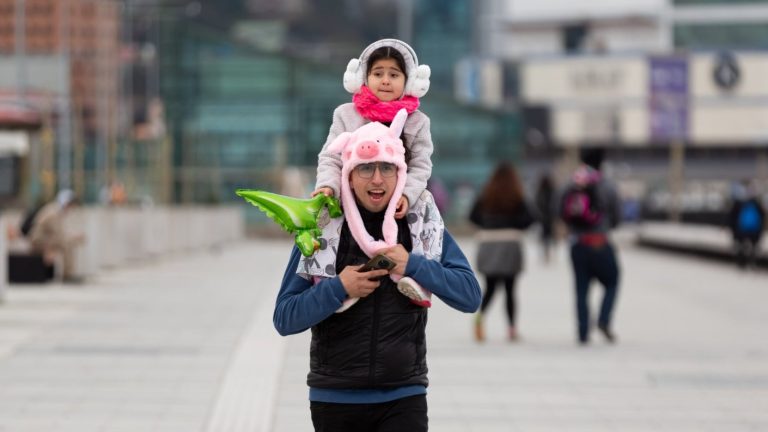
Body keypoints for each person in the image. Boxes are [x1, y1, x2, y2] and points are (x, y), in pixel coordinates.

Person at [275, 111, 480, 432]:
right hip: (335, 397)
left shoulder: (418, 220)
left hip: (404, 396)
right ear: (347, 174)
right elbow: (285, 317)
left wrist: (411, 264)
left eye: (387, 167)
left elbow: (469, 295)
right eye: (365, 167)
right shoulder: (323, 226)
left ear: (401, 172)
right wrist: (339, 287)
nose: (377, 179)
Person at [313, 38, 432, 220]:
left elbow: (420, 166)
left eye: (394, 75)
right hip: (351, 206)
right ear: (364, 78)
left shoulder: (418, 121)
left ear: (408, 82)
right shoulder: (345, 114)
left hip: (398, 209)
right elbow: (330, 158)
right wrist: (328, 186)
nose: (385, 81)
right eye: (377, 74)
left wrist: (406, 195)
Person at [560, 148, 622, 345]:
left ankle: (583, 331)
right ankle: (603, 319)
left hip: (577, 244)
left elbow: (559, 209)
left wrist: (573, 227)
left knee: (581, 288)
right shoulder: (607, 185)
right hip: (600, 242)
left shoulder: (572, 182)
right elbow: (617, 216)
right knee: (612, 282)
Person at [469, 162, 534, 342]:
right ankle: (512, 329)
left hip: (489, 243)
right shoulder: (517, 195)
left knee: (489, 287)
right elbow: (530, 218)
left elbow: (472, 216)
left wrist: (487, 225)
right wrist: (515, 226)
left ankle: (479, 319)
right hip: (510, 244)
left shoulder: (486, 196)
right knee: (510, 289)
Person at [27, 189, 85, 283]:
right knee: (66, 243)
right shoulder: (53, 213)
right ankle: (67, 275)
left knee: (69, 242)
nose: (71, 208)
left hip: (46, 239)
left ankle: (68, 273)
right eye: (70, 205)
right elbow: (58, 235)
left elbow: (58, 233)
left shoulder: (56, 211)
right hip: (38, 240)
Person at [728, 180, 765, 270]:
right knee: (752, 248)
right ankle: (751, 262)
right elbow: (762, 216)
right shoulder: (756, 204)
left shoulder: (740, 203)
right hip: (754, 230)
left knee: (742, 247)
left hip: (742, 229)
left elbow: (732, 217)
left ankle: (742, 263)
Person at [534, 172, 557, 263]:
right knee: (550, 236)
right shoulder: (553, 191)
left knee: (543, 237)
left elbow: (537, 204)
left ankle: (545, 254)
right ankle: (549, 254)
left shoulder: (540, 192)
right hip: (550, 218)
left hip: (542, 218)